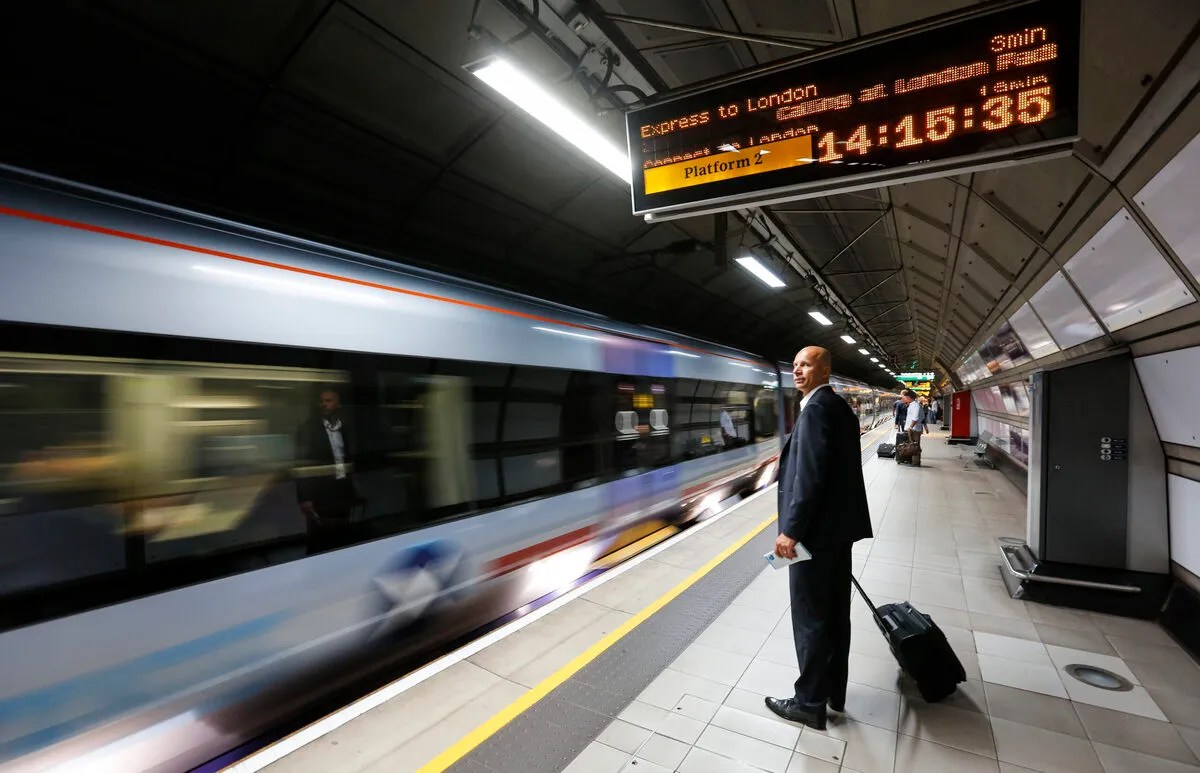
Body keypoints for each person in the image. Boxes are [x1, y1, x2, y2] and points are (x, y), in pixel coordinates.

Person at [766, 347, 873, 730]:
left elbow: (809, 478)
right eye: (794, 365)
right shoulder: (840, 408)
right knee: (834, 616)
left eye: (805, 365)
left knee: (811, 617)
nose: (797, 371)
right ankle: (832, 692)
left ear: (824, 369)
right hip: (836, 534)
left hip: (812, 537)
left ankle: (808, 702)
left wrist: (790, 531)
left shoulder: (814, 411)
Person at [295, 386, 358, 552]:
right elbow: (301, 464)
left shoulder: (343, 427)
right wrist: (304, 497)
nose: (324, 404)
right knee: (320, 537)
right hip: (321, 492)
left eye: (328, 401)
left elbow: (346, 457)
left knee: (342, 533)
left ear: (338, 404)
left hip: (341, 488)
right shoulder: (308, 429)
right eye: (321, 401)